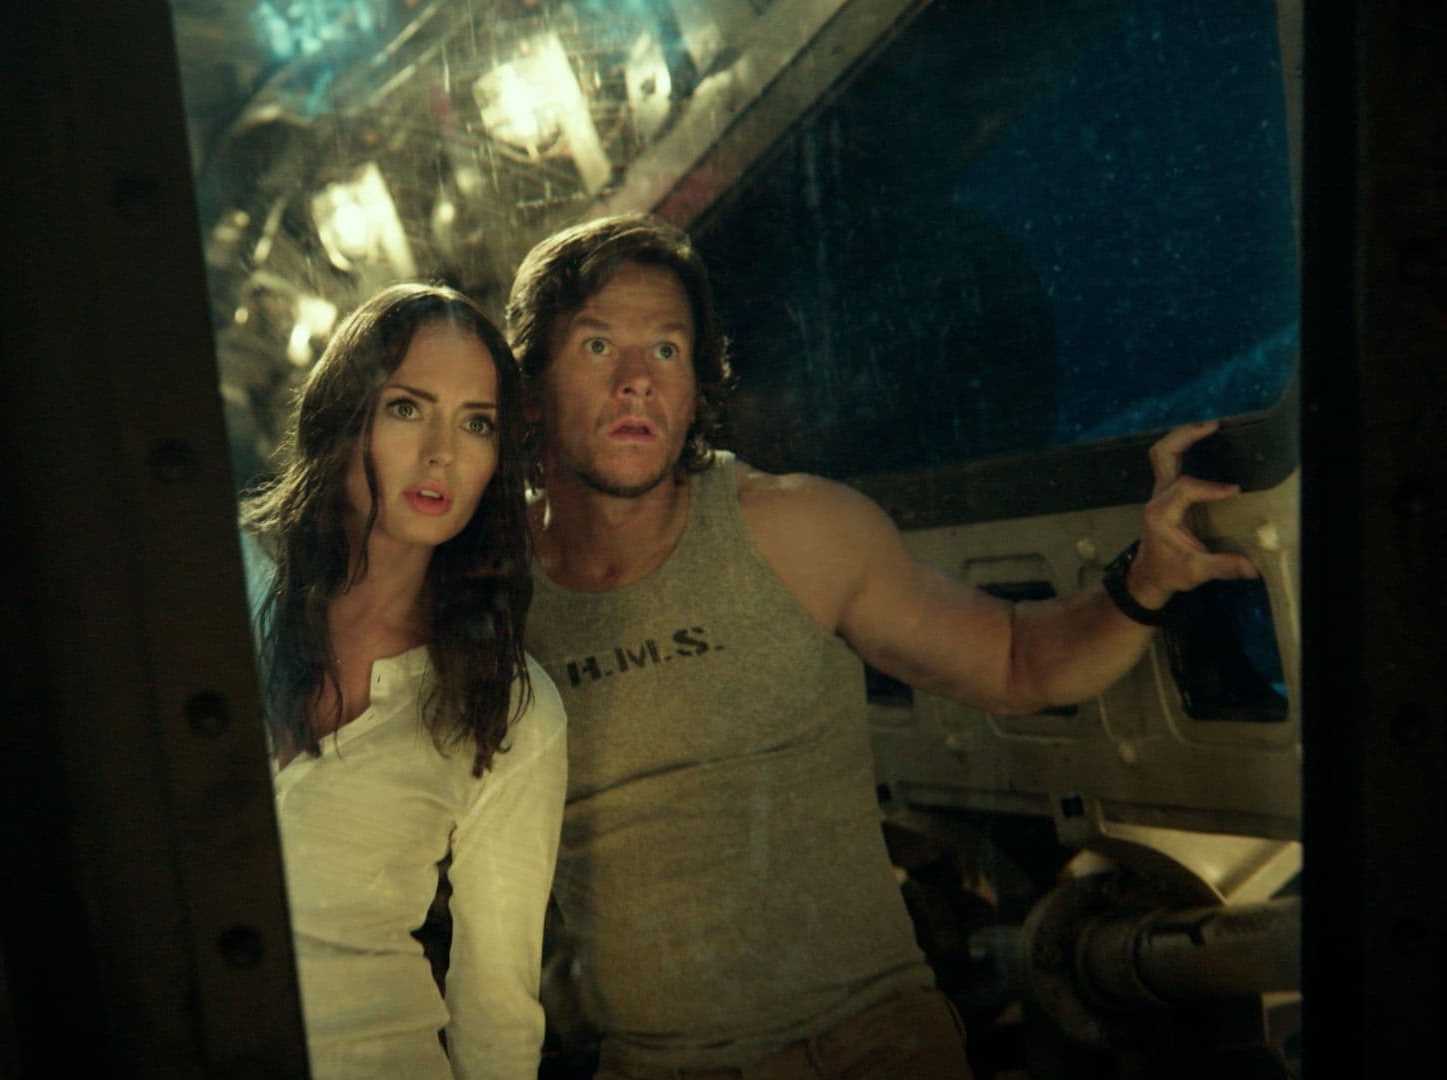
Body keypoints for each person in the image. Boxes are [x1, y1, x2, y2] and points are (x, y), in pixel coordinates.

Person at [504, 214, 1259, 1078]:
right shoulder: (490, 601)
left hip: (874, 1047)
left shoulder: (799, 531)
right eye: (598, 346)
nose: (638, 380)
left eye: (667, 349)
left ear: (698, 381)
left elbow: (1019, 662)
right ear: (528, 388)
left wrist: (1148, 576)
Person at [240, 282, 569, 1078]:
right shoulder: (219, 582)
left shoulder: (507, 705)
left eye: (477, 423)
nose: (442, 454)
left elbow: (496, 1010)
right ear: (343, 415)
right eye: (407, 408)